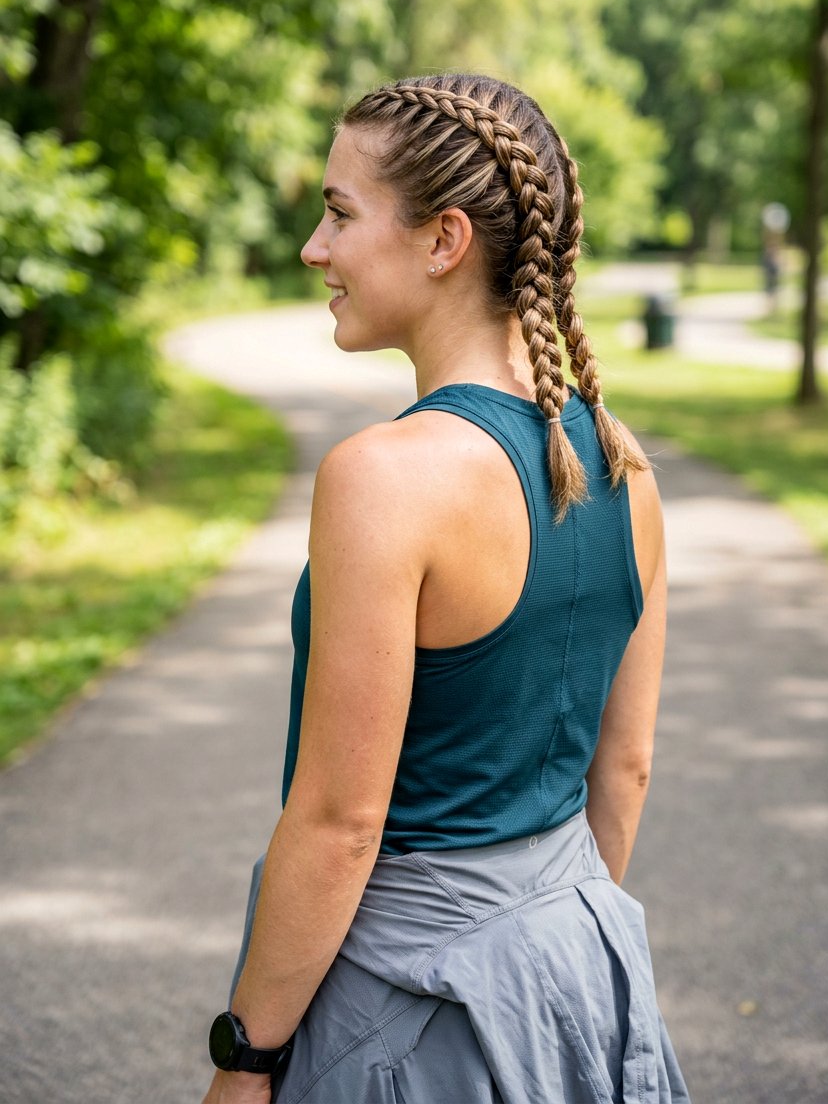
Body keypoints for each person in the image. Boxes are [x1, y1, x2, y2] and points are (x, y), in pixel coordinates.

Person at [201, 74, 691, 1104]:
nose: (312, 247)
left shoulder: (384, 477)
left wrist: (244, 1063)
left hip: (408, 1002)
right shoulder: (621, 464)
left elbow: (340, 821)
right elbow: (626, 766)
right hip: (578, 970)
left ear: (443, 240)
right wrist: (543, 947)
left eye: (339, 213)